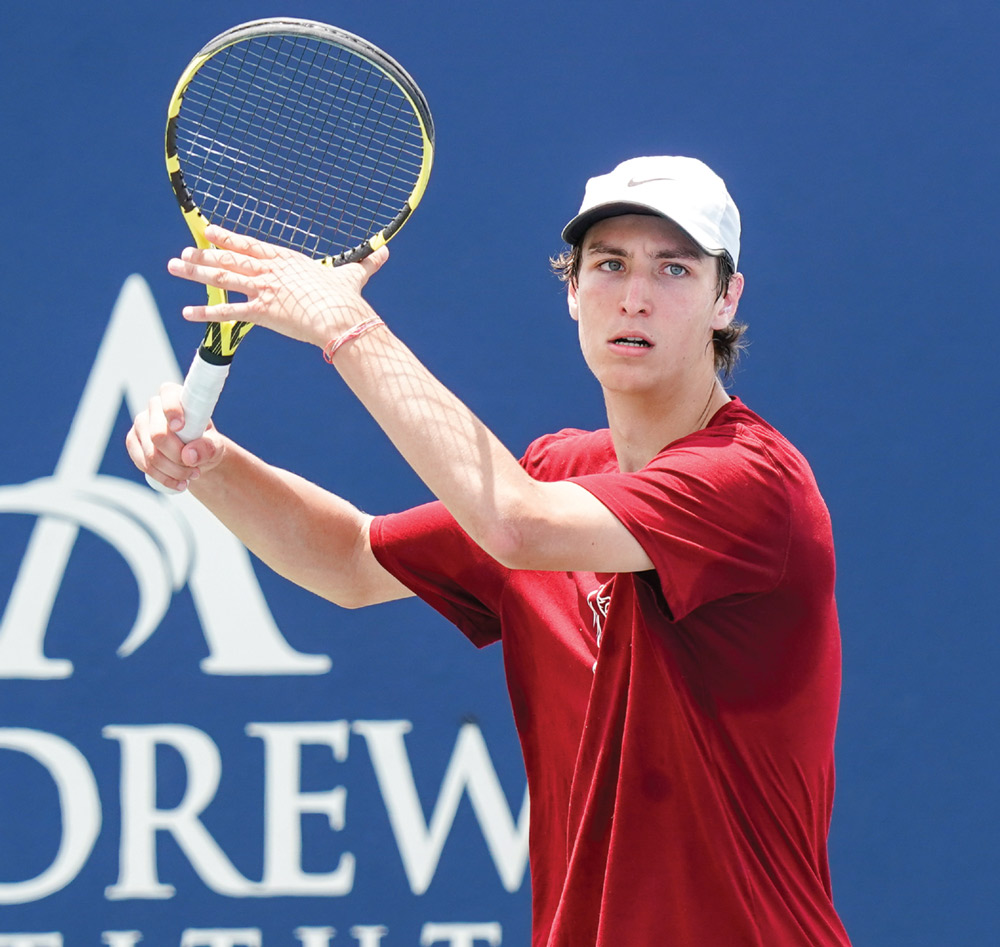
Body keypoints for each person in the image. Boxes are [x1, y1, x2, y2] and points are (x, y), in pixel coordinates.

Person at [127, 155, 852, 946]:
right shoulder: (559, 471)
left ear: (725, 299)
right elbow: (347, 560)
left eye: (674, 268)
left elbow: (515, 522)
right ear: (572, 290)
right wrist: (212, 465)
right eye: (608, 264)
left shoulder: (751, 483)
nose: (635, 295)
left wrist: (344, 324)